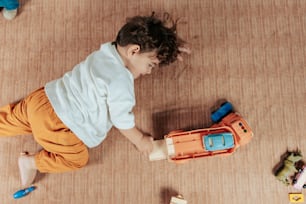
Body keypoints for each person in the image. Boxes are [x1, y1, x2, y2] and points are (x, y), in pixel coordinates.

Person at [0, 12, 190, 187]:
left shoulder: (107, 50)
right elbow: (120, 119)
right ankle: (31, 162)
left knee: (9, 120)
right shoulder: (121, 81)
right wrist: (140, 140)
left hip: (42, 100)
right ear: (133, 51)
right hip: (63, 126)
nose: (148, 72)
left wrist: (167, 49)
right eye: (150, 65)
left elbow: (140, 40)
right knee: (77, 159)